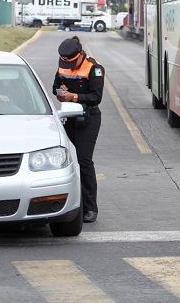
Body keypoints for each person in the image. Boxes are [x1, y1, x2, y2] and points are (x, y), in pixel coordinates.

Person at [52, 36, 105, 223]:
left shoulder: (94, 68)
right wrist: (60, 93)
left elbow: (96, 97)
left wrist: (72, 96)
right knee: (68, 160)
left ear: (80, 55)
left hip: (88, 117)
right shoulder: (63, 64)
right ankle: (72, 204)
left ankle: (91, 208)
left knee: (84, 160)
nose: (67, 65)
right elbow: (55, 87)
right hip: (69, 118)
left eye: (71, 61)